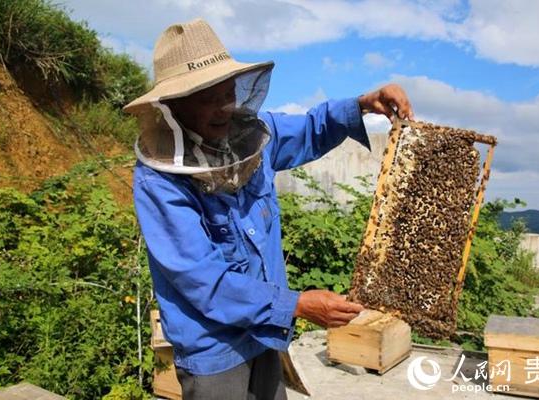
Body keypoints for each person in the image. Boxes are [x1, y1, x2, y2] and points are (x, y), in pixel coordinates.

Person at [124, 18, 413, 400]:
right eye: (208, 98)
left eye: (228, 93)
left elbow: (311, 129)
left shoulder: (253, 136)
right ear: (175, 105)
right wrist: (297, 305)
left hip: (266, 333)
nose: (225, 108)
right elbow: (204, 282)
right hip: (214, 351)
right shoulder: (159, 181)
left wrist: (362, 105)